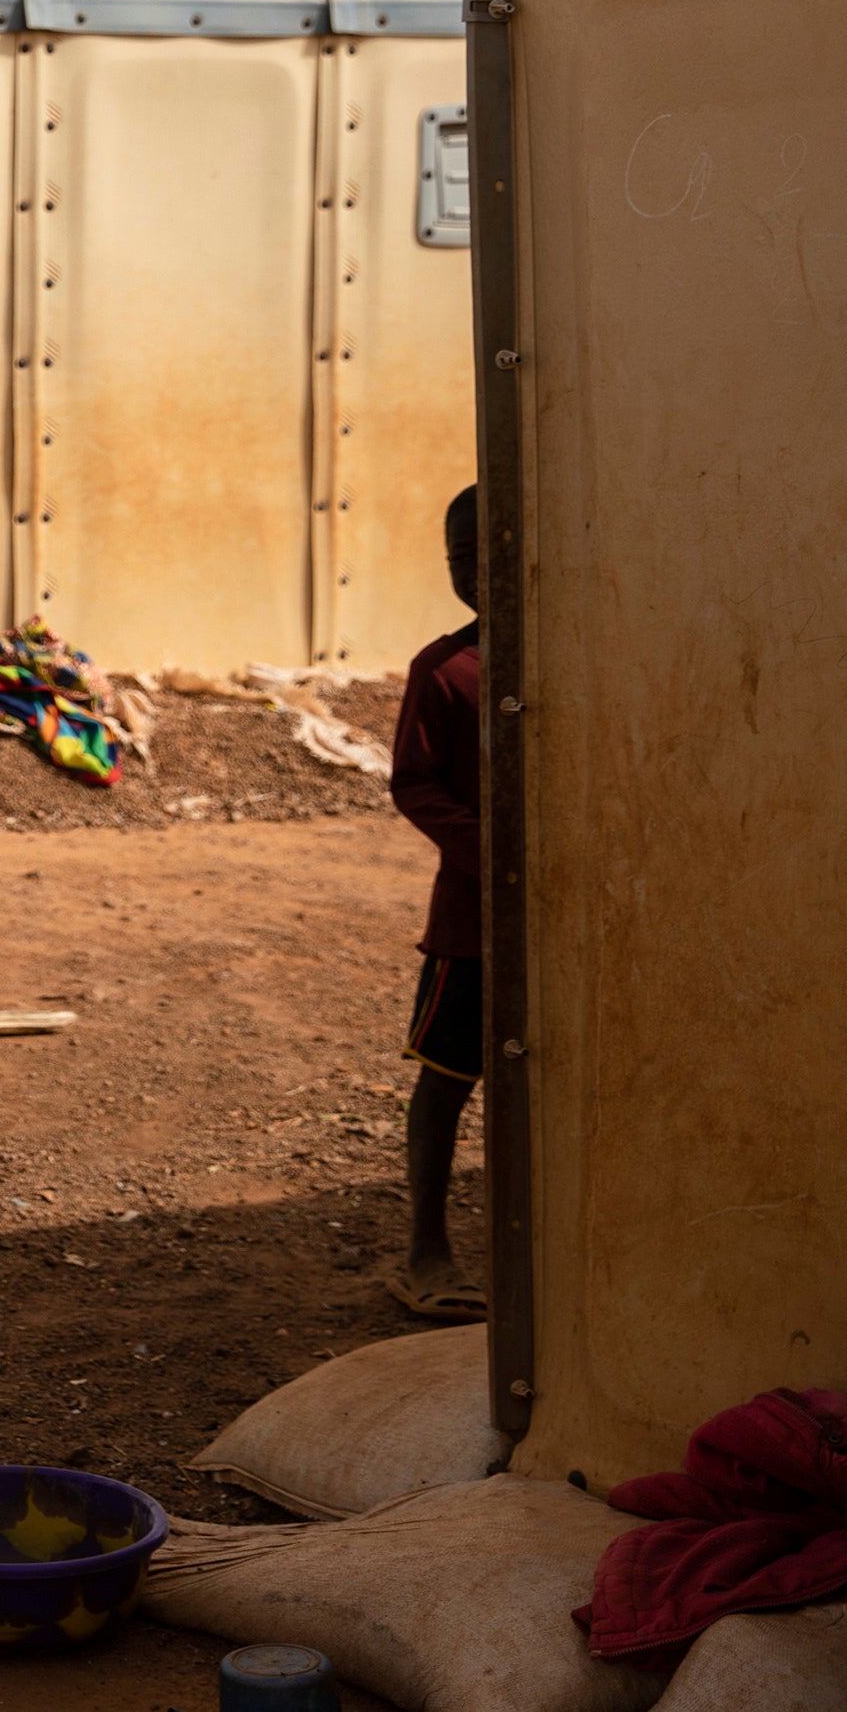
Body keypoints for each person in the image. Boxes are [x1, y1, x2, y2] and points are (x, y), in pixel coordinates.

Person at [388, 484, 487, 1319]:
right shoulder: (445, 670)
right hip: (473, 925)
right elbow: (413, 782)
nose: (475, 571)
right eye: (459, 558)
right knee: (445, 1081)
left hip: (569, 922)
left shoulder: (582, 656)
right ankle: (426, 1250)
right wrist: (489, 852)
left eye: (489, 551)